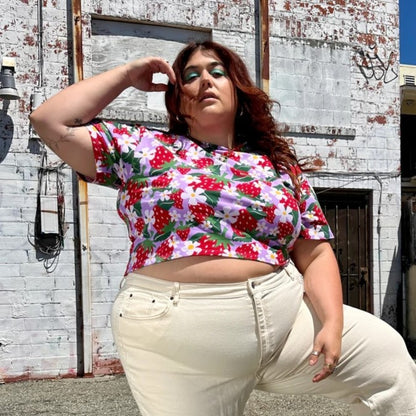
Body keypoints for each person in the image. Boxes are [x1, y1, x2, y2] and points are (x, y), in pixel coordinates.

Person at [30, 41, 416, 416]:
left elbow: (313, 250)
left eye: (217, 72)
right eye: (191, 76)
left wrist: (332, 322)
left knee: (389, 360)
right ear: (178, 98)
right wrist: (127, 75)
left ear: (238, 89)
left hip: (283, 314)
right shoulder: (143, 147)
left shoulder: (276, 165)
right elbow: (50, 121)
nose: (205, 81)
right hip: (182, 333)